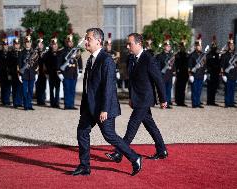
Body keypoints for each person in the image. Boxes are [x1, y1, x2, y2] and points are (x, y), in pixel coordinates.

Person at [72, 28, 142, 176]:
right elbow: (88, 86)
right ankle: (84, 166)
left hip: (104, 107)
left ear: (98, 41)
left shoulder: (107, 60)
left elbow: (109, 86)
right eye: (86, 38)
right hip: (90, 106)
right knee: (82, 132)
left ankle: (135, 157)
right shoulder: (91, 58)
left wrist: (104, 109)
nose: (86, 41)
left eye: (88, 39)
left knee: (109, 135)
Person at [105, 33, 168, 163]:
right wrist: (131, 97)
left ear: (139, 44)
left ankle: (119, 153)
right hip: (137, 98)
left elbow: (159, 80)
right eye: (127, 44)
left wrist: (163, 99)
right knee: (150, 125)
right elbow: (132, 81)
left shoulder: (148, 59)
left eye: (130, 43)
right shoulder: (131, 58)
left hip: (145, 99)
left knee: (132, 126)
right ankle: (162, 150)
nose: (128, 46)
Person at [58, 28, 83, 110]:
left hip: (73, 74)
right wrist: (59, 73)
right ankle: (67, 105)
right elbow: (59, 63)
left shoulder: (76, 51)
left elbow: (79, 61)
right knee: (67, 89)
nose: (70, 43)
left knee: (72, 90)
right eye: (68, 42)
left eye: (71, 42)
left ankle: (71, 105)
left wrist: (80, 71)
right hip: (66, 73)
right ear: (66, 42)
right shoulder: (62, 51)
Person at [18, 29, 39, 110]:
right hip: (24, 74)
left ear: (31, 43)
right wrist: (19, 74)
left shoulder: (34, 52)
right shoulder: (21, 52)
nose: (28, 43)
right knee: (24, 91)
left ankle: (29, 105)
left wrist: (36, 73)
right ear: (25, 43)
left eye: (29, 42)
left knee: (30, 90)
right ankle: (25, 104)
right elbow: (19, 64)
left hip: (32, 74)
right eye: (27, 42)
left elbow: (36, 64)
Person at [156, 34, 175, 108]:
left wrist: (173, 74)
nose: (169, 47)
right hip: (162, 75)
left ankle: (168, 102)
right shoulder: (160, 56)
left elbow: (174, 66)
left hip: (169, 75)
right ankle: (163, 103)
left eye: (169, 46)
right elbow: (157, 66)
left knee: (168, 90)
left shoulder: (171, 56)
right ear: (164, 46)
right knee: (162, 90)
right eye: (167, 46)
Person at [188, 34, 208, 108]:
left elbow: (205, 65)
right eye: (199, 46)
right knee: (194, 90)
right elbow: (189, 66)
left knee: (199, 90)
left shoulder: (203, 54)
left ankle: (198, 102)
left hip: (201, 74)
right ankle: (194, 103)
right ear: (196, 46)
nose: (200, 47)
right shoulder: (192, 55)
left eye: (200, 45)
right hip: (195, 75)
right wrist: (190, 75)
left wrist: (205, 73)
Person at [44, 33, 61, 108]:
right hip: (51, 73)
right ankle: (52, 102)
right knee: (51, 89)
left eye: (56, 44)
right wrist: (47, 72)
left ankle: (56, 103)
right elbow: (45, 64)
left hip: (58, 74)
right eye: (53, 44)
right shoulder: (47, 54)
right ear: (51, 45)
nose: (55, 46)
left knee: (57, 89)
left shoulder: (60, 53)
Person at [220, 33, 237, 108]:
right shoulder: (225, 55)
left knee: (233, 90)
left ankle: (231, 102)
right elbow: (222, 65)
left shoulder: (235, 55)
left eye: (233, 45)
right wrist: (223, 75)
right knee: (227, 90)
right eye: (230, 45)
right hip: (227, 75)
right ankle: (227, 103)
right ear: (228, 46)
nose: (232, 46)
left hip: (234, 75)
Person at [0, 33, 11, 106]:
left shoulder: (10, 53)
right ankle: (3, 100)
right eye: (4, 45)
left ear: (8, 45)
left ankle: (7, 100)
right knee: (3, 87)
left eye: (6, 45)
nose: (5, 46)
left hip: (9, 73)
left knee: (8, 87)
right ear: (2, 45)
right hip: (2, 72)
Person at [8, 31, 23, 108]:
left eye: (17, 44)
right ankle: (15, 103)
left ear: (19, 44)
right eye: (15, 44)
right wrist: (9, 74)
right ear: (13, 44)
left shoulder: (21, 52)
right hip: (13, 73)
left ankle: (20, 102)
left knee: (20, 88)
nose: (16, 45)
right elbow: (9, 65)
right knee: (14, 88)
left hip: (20, 73)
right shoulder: (10, 53)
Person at [206, 35, 221, 106]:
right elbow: (209, 63)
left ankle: (213, 101)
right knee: (210, 88)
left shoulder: (217, 55)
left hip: (216, 73)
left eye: (215, 46)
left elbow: (219, 62)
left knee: (214, 88)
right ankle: (209, 101)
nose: (215, 48)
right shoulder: (209, 54)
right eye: (213, 46)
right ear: (211, 47)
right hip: (210, 73)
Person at [174, 36, 189, 106]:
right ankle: (178, 100)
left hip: (185, 73)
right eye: (182, 46)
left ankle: (182, 101)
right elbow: (176, 64)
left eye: (184, 46)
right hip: (179, 73)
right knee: (178, 88)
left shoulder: (186, 55)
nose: (183, 48)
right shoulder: (177, 55)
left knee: (183, 89)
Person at [35, 32, 48, 105]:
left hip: (43, 72)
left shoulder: (45, 53)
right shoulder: (35, 52)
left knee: (43, 87)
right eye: (39, 44)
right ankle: (39, 100)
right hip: (37, 71)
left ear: (43, 45)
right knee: (38, 87)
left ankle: (42, 100)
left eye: (41, 44)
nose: (40, 45)